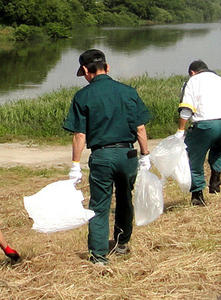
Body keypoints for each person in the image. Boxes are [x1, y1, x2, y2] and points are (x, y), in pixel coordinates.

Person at [63, 49, 151, 265]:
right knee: (124, 198)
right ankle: (122, 244)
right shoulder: (128, 92)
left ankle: (99, 255)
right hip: (128, 154)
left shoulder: (82, 96)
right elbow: (140, 128)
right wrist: (145, 155)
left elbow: (80, 135)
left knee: (99, 205)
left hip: (102, 156)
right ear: (107, 67)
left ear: (85, 70)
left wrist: (75, 165)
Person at [175, 60, 221, 206]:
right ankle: (215, 180)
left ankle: (197, 195)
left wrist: (181, 130)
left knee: (194, 158)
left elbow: (187, 108)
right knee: (219, 149)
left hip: (206, 125)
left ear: (192, 72)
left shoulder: (192, 81)